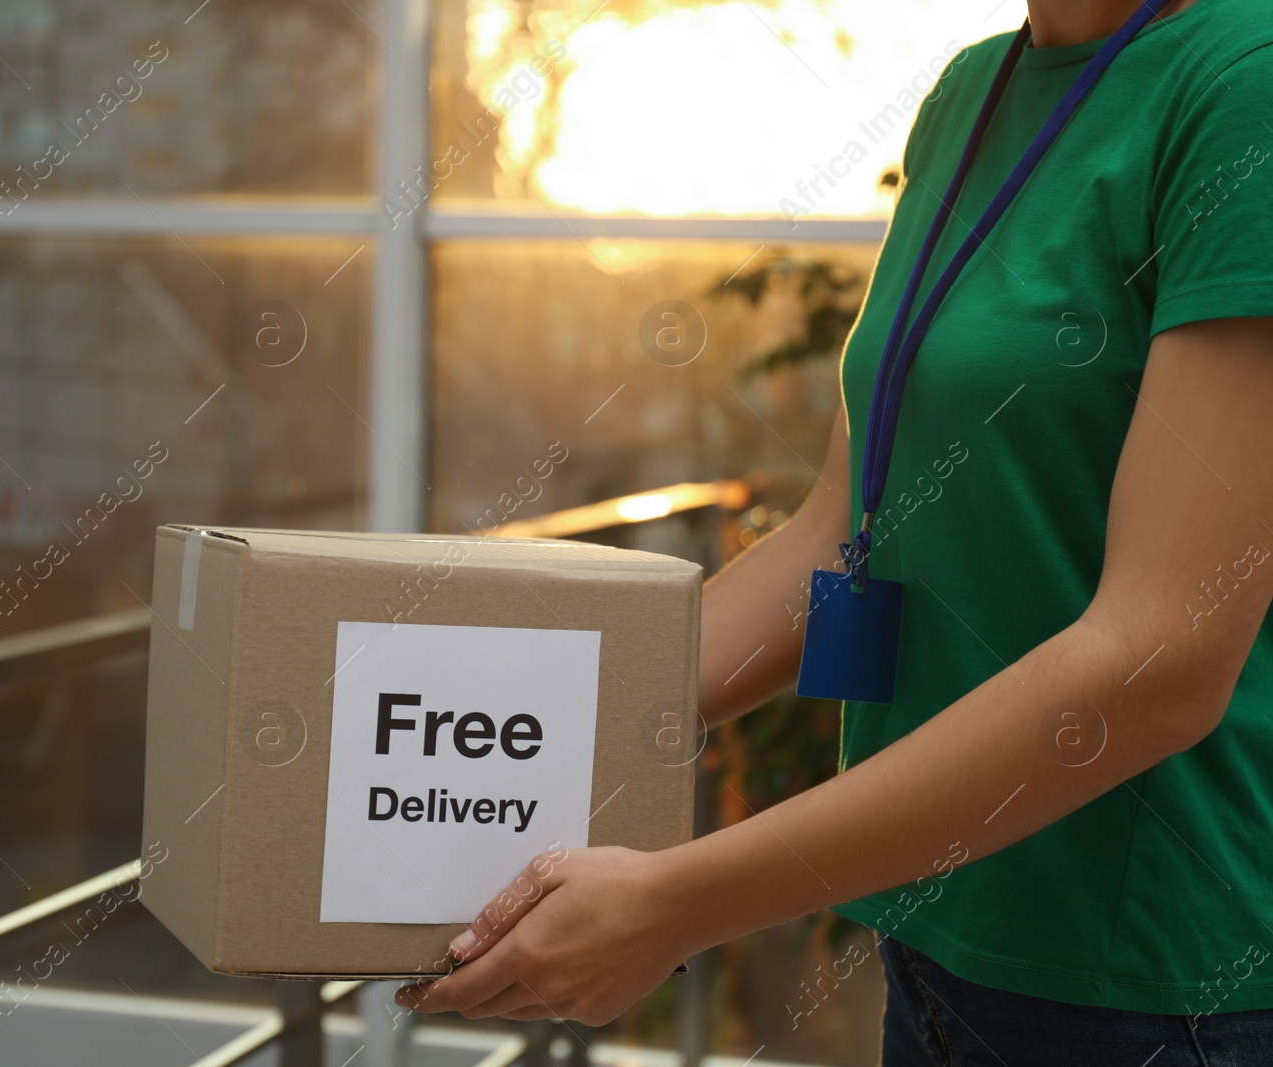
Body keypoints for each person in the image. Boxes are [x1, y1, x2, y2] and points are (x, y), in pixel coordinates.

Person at [400, 0, 1273, 1060]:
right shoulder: (971, 92)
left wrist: (678, 899)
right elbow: (838, 528)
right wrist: (453, 730)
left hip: (1164, 991)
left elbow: (1161, 656)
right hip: (936, 944)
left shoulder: (1244, 81)